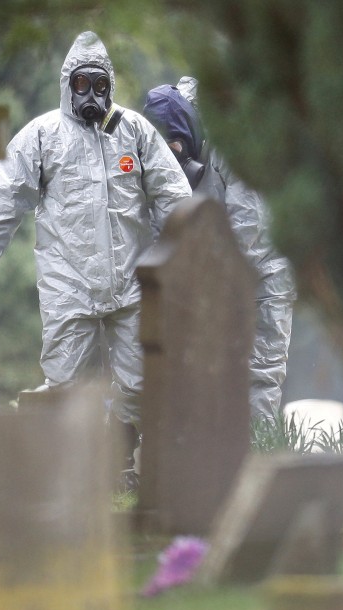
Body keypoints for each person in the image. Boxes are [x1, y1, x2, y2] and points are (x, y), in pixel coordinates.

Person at [0, 32, 191, 480]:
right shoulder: (42, 137)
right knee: (69, 387)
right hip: (68, 289)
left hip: (131, 286)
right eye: (81, 84)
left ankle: (130, 463)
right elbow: (0, 203)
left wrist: (189, 263)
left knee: (139, 384)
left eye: (99, 84)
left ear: (110, 85)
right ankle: (75, 477)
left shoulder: (133, 132)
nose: (91, 94)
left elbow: (175, 199)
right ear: (66, 84)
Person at [144, 76, 296, 423]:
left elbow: (249, 225)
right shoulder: (160, 160)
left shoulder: (233, 142)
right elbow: (160, 222)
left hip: (263, 276)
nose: (174, 158)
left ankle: (255, 459)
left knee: (258, 375)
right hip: (212, 279)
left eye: (177, 148)